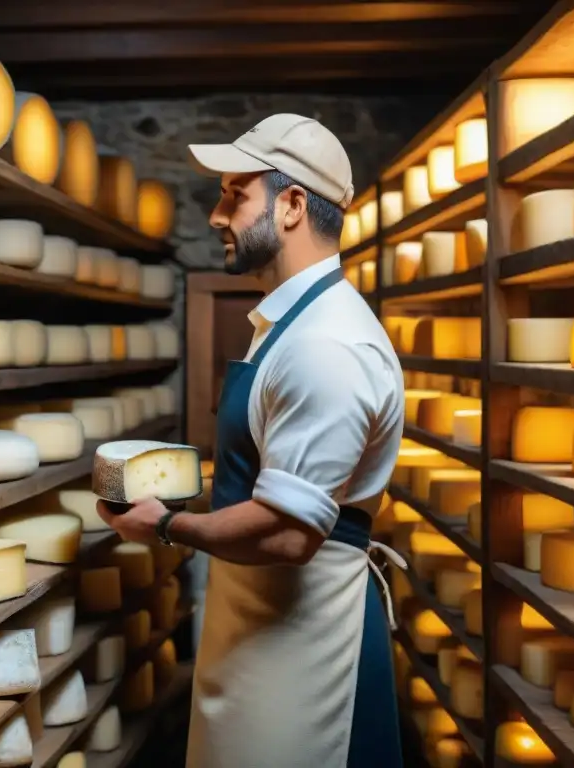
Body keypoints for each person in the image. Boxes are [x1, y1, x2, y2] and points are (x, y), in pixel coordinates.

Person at [96, 113, 407, 768]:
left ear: (292, 205)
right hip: (263, 624)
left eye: (235, 194)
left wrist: (168, 525)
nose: (216, 215)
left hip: (306, 636)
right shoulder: (290, 322)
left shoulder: (327, 345)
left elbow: (290, 533)